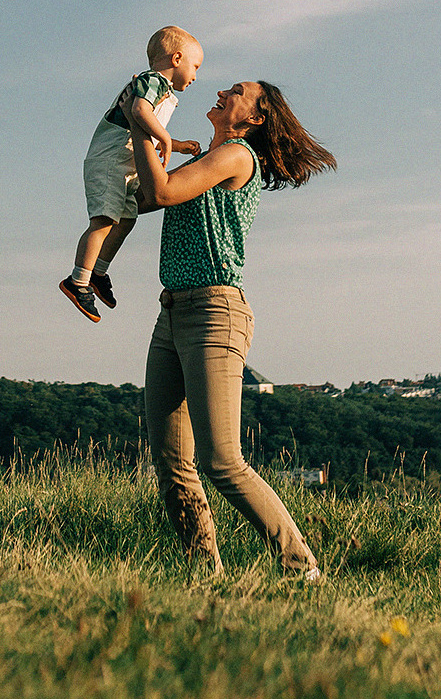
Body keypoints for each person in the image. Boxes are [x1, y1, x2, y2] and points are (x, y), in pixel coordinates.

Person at [128, 79, 335, 578]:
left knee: (222, 461)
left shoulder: (239, 156)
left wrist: (138, 120)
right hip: (172, 311)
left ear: (256, 117)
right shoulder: (204, 161)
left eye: (237, 91)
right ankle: (204, 575)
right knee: (172, 462)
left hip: (215, 311)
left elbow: (159, 192)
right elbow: (144, 197)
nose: (222, 90)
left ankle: (300, 564)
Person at [60, 26, 204, 323]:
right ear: (177, 58)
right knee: (103, 220)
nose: (195, 76)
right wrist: (166, 140)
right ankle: (78, 279)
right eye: (195, 67)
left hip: (127, 164)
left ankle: (98, 272)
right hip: (112, 161)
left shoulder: (161, 90)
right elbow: (139, 112)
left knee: (126, 220)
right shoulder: (152, 82)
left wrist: (174, 145)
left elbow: (143, 128)